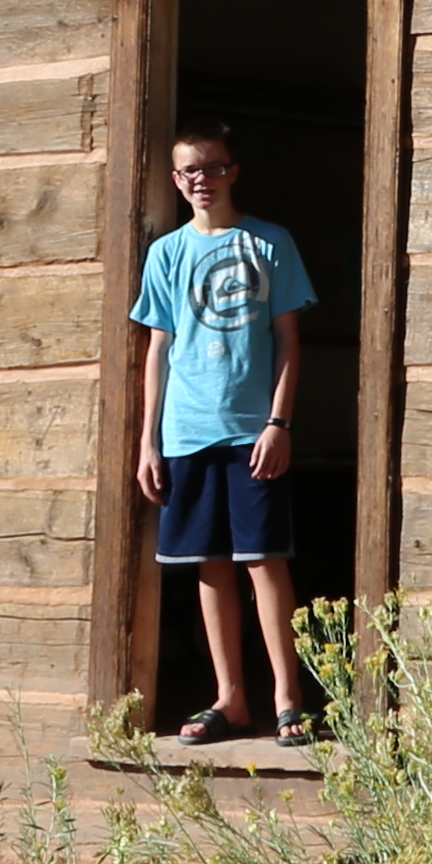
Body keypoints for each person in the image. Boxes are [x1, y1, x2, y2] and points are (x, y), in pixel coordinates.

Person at [128, 116, 319, 742]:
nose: (200, 179)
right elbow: (158, 348)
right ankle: (231, 698)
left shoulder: (269, 243)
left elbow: (289, 342)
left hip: (251, 432)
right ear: (177, 180)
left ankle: (287, 698)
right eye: (189, 170)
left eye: (212, 167)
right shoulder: (167, 253)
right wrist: (149, 440)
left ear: (232, 172)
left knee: (264, 560)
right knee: (210, 565)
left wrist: (278, 422)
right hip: (187, 433)